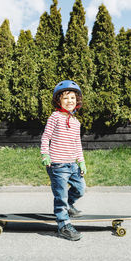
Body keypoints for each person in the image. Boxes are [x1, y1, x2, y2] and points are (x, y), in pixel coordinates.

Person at [40, 80, 87, 241]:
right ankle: (63, 224)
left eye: (73, 98)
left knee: (80, 188)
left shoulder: (76, 122)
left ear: (77, 101)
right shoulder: (55, 117)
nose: (70, 101)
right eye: (66, 98)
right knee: (61, 196)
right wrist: (45, 155)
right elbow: (46, 137)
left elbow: (77, 143)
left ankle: (69, 205)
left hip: (72, 164)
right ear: (58, 100)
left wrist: (81, 162)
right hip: (57, 165)